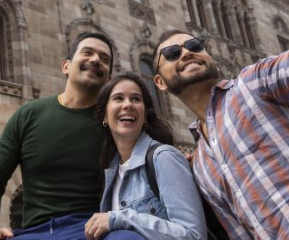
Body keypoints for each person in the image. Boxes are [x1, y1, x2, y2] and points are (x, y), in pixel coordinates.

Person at [152, 0, 289, 239]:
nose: (186, 53)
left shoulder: (252, 84)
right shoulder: (199, 164)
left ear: (210, 57)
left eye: (195, 46)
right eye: (171, 53)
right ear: (159, 82)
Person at [0, 32, 122, 240]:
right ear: (66, 66)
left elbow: (147, 159)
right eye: (87, 52)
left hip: (92, 230)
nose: (95, 59)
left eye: (104, 58)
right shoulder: (28, 115)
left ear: (109, 78)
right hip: (35, 232)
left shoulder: (116, 123)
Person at [84, 72, 207, 240]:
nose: (128, 105)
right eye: (118, 98)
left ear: (145, 117)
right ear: (105, 116)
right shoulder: (111, 171)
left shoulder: (163, 157)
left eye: (135, 99)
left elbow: (193, 235)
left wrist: (120, 219)